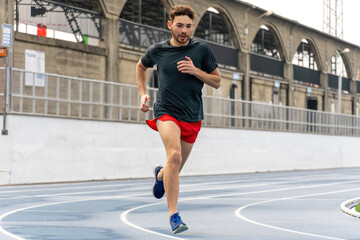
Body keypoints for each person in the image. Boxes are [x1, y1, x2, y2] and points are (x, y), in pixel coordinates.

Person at [136, 4, 221, 234]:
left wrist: (196, 71)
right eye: (179, 25)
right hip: (166, 112)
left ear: (192, 27)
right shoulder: (158, 50)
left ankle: (160, 175)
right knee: (173, 155)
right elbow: (140, 67)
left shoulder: (201, 50)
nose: (184, 30)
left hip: (192, 116)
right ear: (170, 25)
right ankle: (174, 216)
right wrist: (144, 93)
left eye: (188, 26)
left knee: (175, 166)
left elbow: (217, 81)